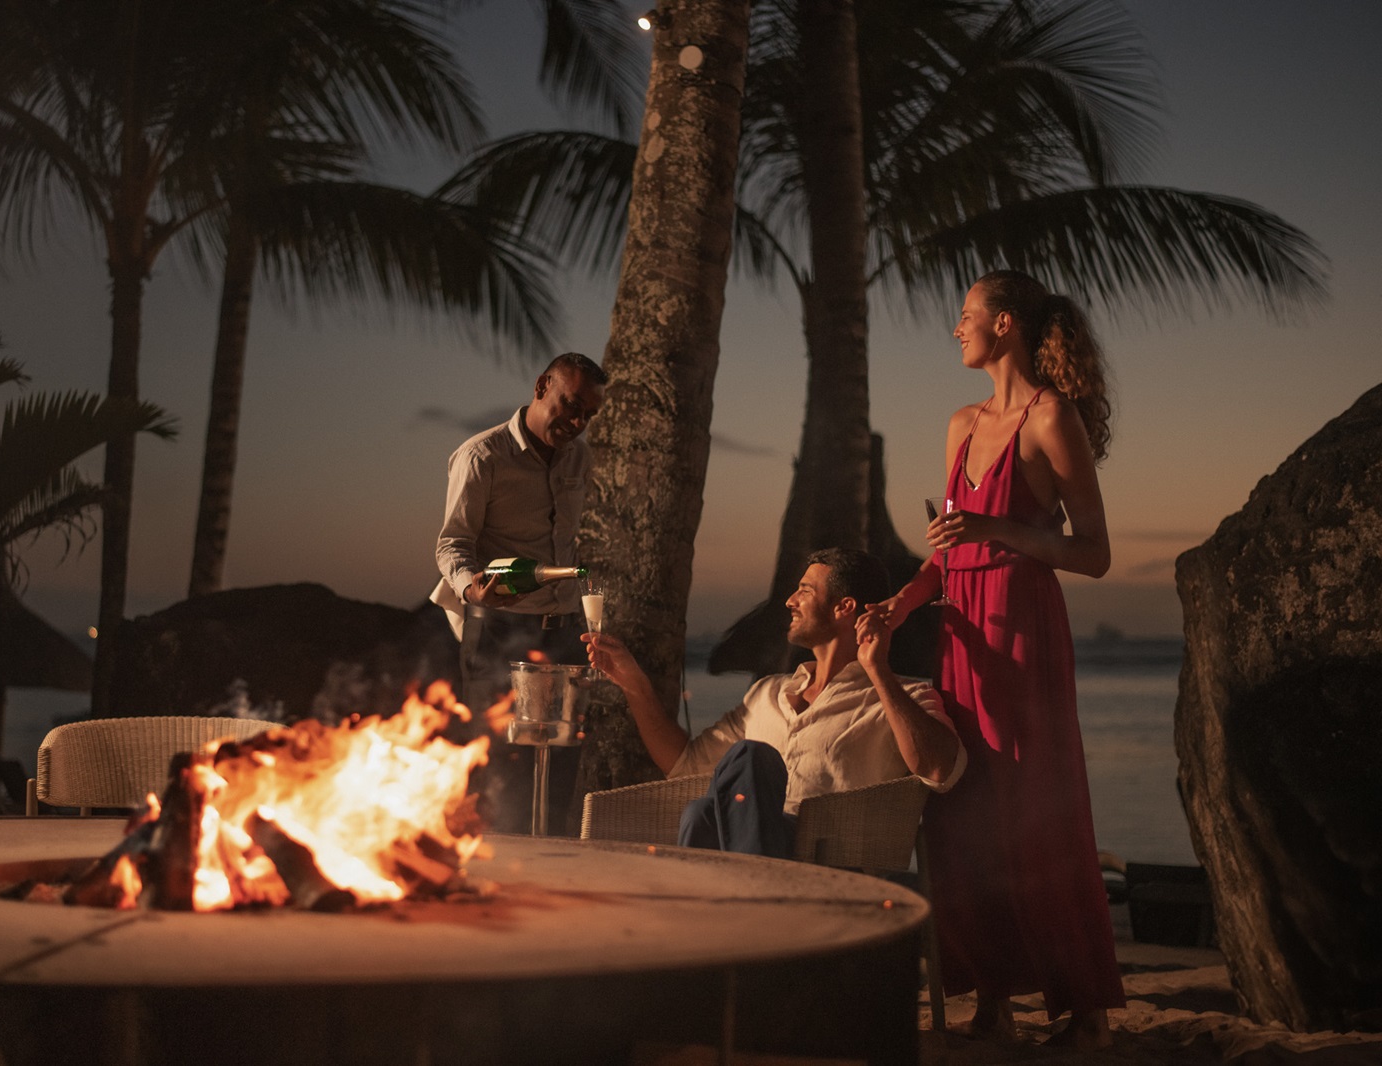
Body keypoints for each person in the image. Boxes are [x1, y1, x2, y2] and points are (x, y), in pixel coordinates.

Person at [873, 269, 1124, 1049]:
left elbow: (1094, 553)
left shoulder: (1051, 419)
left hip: (1024, 634)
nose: (957, 327)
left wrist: (998, 532)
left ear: (1006, 323)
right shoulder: (961, 423)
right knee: (964, 809)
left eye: (967, 314)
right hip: (963, 633)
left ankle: (1084, 1009)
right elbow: (949, 550)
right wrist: (900, 605)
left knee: (1036, 809)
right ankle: (992, 996)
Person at [584, 548, 965, 858]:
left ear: (843, 607)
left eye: (805, 590)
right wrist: (634, 684)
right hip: (750, 856)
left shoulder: (902, 696)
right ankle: (752, 897)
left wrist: (878, 671)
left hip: (830, 864)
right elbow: (683, 766)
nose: (789, 601)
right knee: (702, 811)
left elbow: (941, 770)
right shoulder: (768, 693)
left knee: (750, 760)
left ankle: (737, 900)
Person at [431, 352, 608, 706]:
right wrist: (470, 589)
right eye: (572, 406)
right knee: (497, 739)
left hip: (566, 633)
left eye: (588, 415)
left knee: (565, 738)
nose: (578, 422)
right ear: (542, 386)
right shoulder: (482, 456)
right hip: (499, 631)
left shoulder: (580, 458)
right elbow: (453, 542)